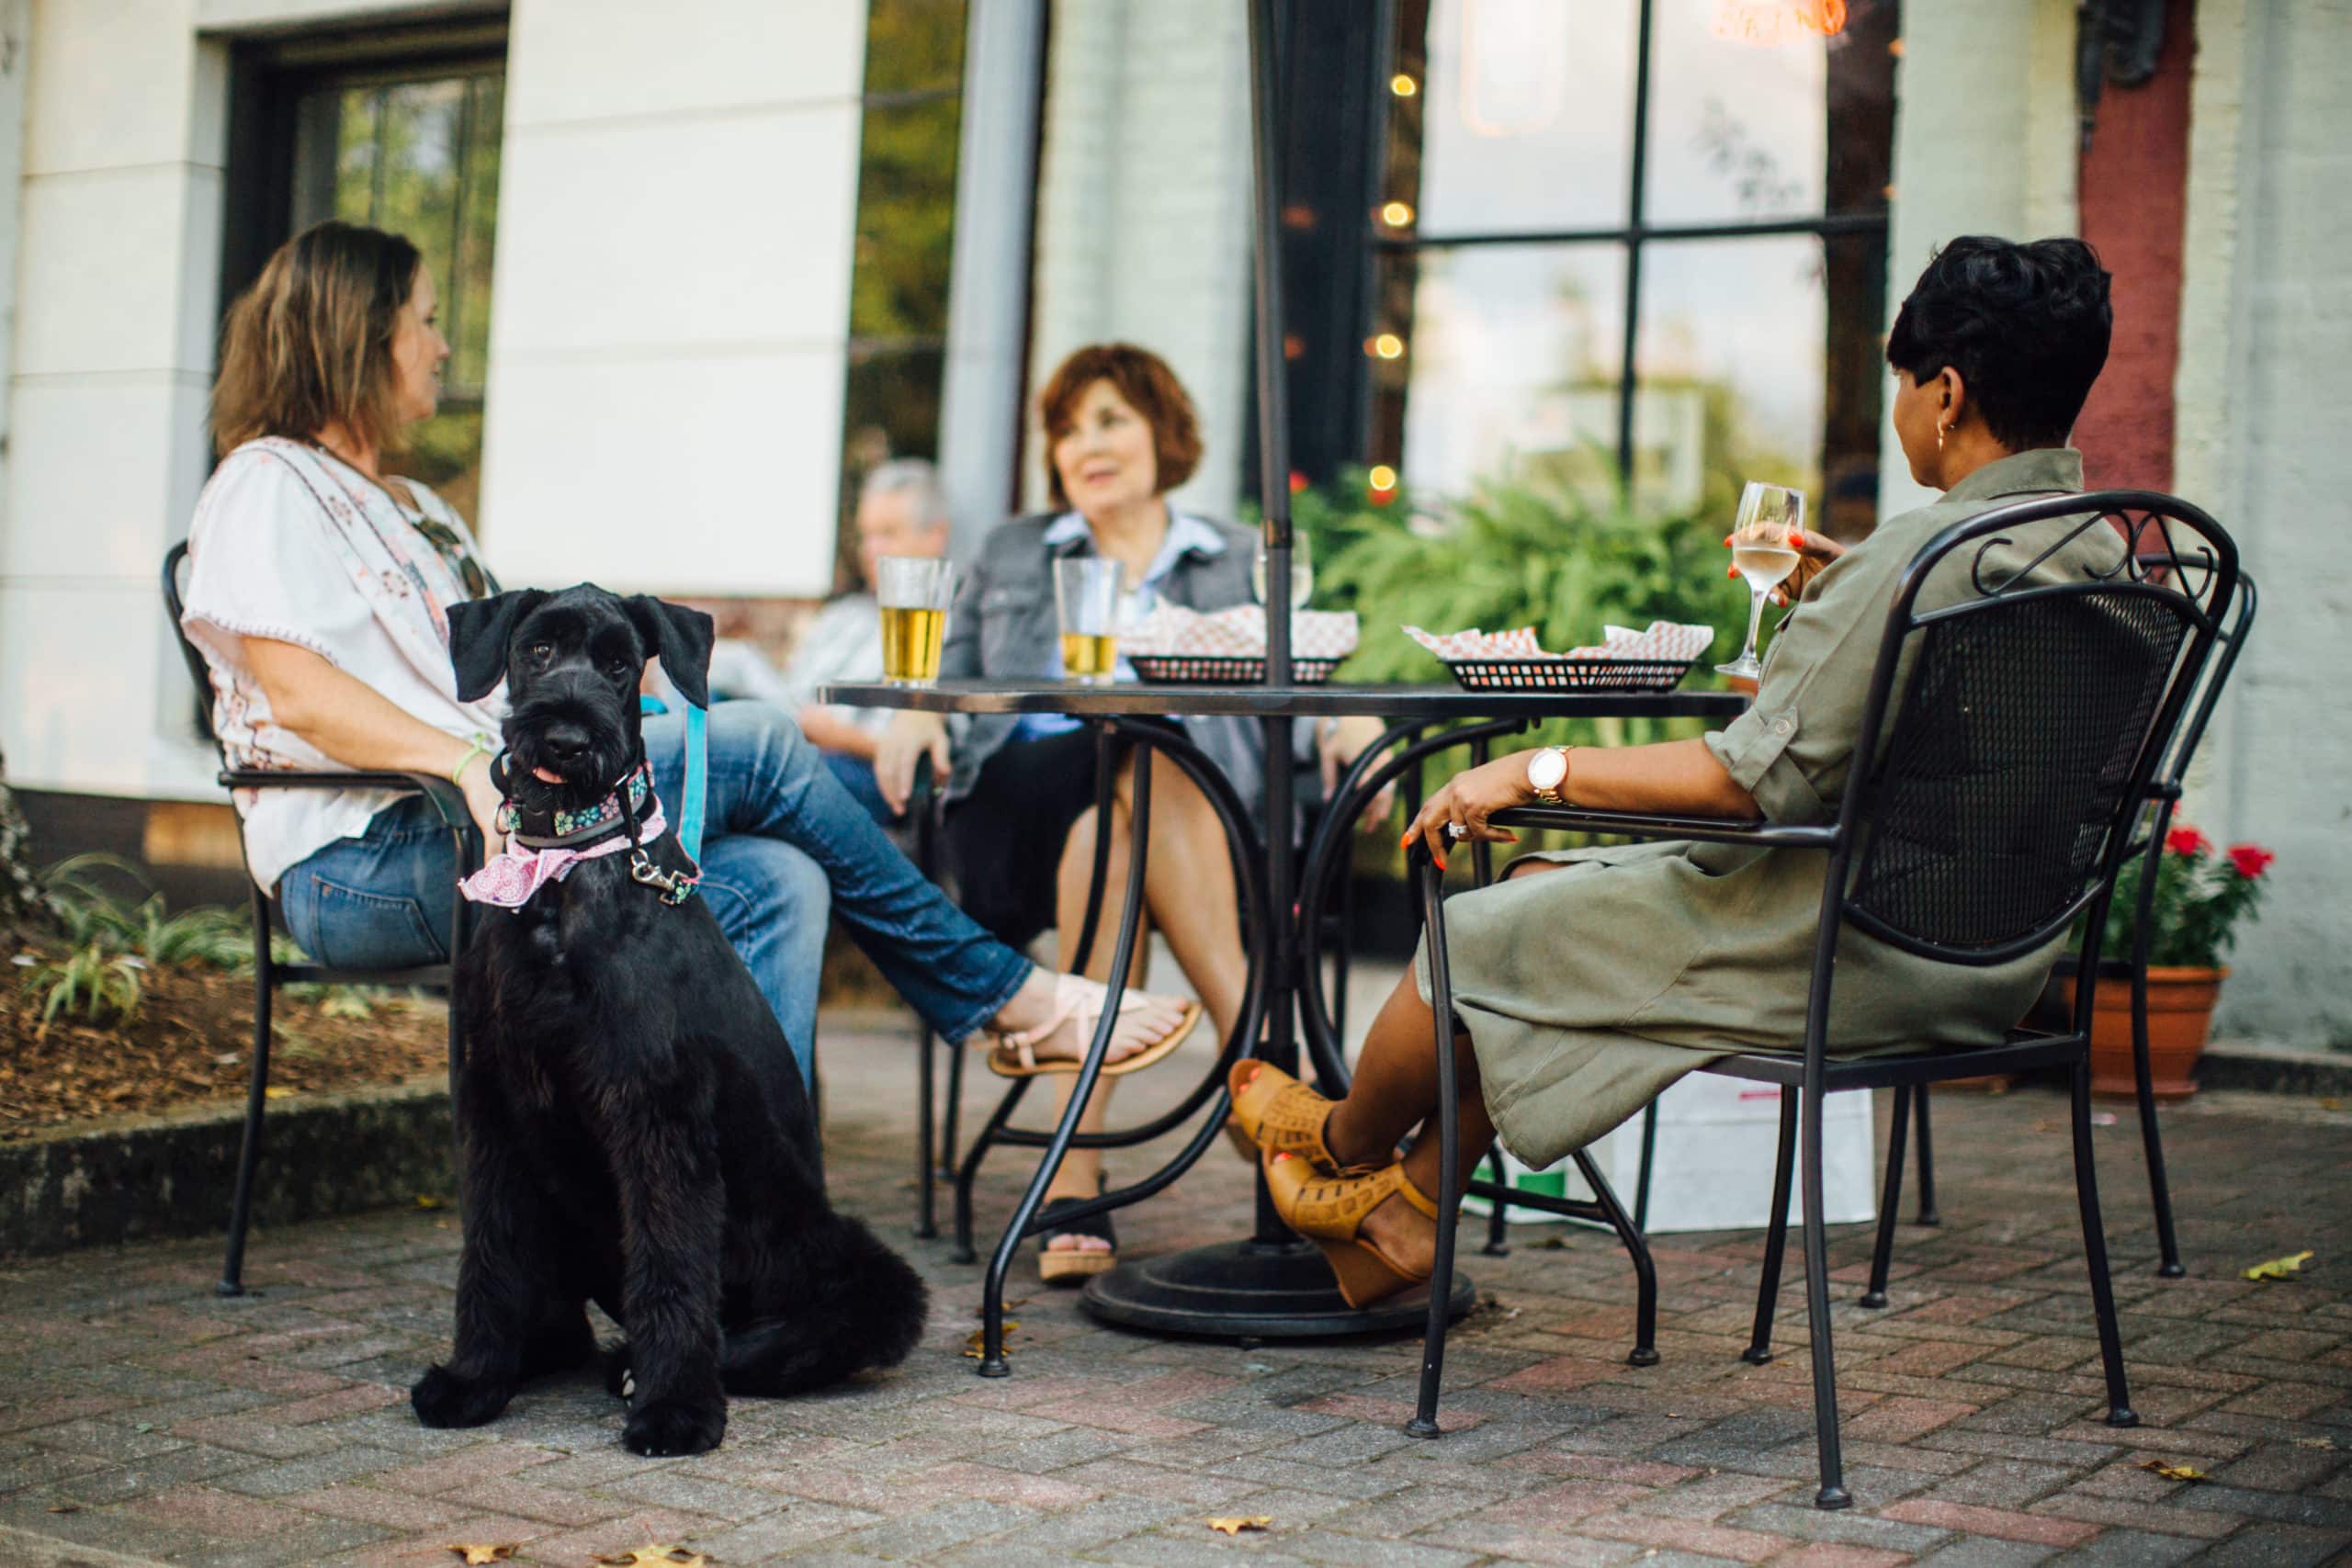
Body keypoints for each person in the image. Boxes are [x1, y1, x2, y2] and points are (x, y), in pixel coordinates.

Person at [1227, 235, 2125, 1306]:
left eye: (1898, 382)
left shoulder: (1916, 560)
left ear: (1945, 392)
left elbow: (1741, 786)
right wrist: (1853, 612)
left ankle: (1333, 1141)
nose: (1898, 407)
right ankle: (1410, 1215)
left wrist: (1532, 768)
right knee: (1533, 898)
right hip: (1991, 962)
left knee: (1472, 935)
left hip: (1845, 951)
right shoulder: (2099, 556)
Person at [178, 220, 1196, 1103]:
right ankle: (999, 994)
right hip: (367, 858)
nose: (444, 346)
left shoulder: (421, 508)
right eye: (428, 319)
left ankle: (755, 1219)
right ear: (364, 332)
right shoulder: (267, 483)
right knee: (753, 738)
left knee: (783, 878)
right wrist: (457, 766)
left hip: (510, 816)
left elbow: (510, 680)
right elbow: (298, 694)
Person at [873, 343, 1387, 1280]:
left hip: (1184, 827)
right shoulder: (1018, 550)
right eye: (1067, 429)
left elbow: (1303, 667)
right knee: (1136, 739)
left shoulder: (1236, 555)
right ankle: (1263, 1079)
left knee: (1119, 824)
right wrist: (912, 713)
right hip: (1015, 810)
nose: (1084, 444)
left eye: (1109, 419)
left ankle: (1078, 1171)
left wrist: (1348, 719)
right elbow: (946, 678)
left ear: (1163, 431)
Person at [705, 458, 951, 827]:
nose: (870, 549)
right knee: (699, 695)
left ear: (935, 536)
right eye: (866, 535)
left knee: (732, 763)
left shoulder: (948, 629)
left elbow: (935, 762)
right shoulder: (843, 616)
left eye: (887, 533)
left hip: (859, 770)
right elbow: (790, 690)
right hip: (795, 740)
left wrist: (840, 736)